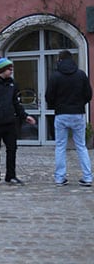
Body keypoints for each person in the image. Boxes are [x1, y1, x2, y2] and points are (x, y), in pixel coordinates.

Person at [0, 56, 36, 187]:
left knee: (12, 150)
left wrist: (24, 116)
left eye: (11, 69)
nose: (11, 71)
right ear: (2, 70)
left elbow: (16, 103)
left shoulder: (12, 84)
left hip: (10, 123)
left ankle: (11, 176)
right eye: (9, 69)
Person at [45, 50, 92, 187]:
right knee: (81, 146)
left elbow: (49, 96)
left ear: (59, 60)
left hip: (61, 114)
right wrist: (79, 104)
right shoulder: (81, 75)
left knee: (60, 146)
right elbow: (88, 94)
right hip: (77, 113)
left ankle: (60, 177)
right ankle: (87, 176)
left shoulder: (55, 76)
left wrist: (56, 106)